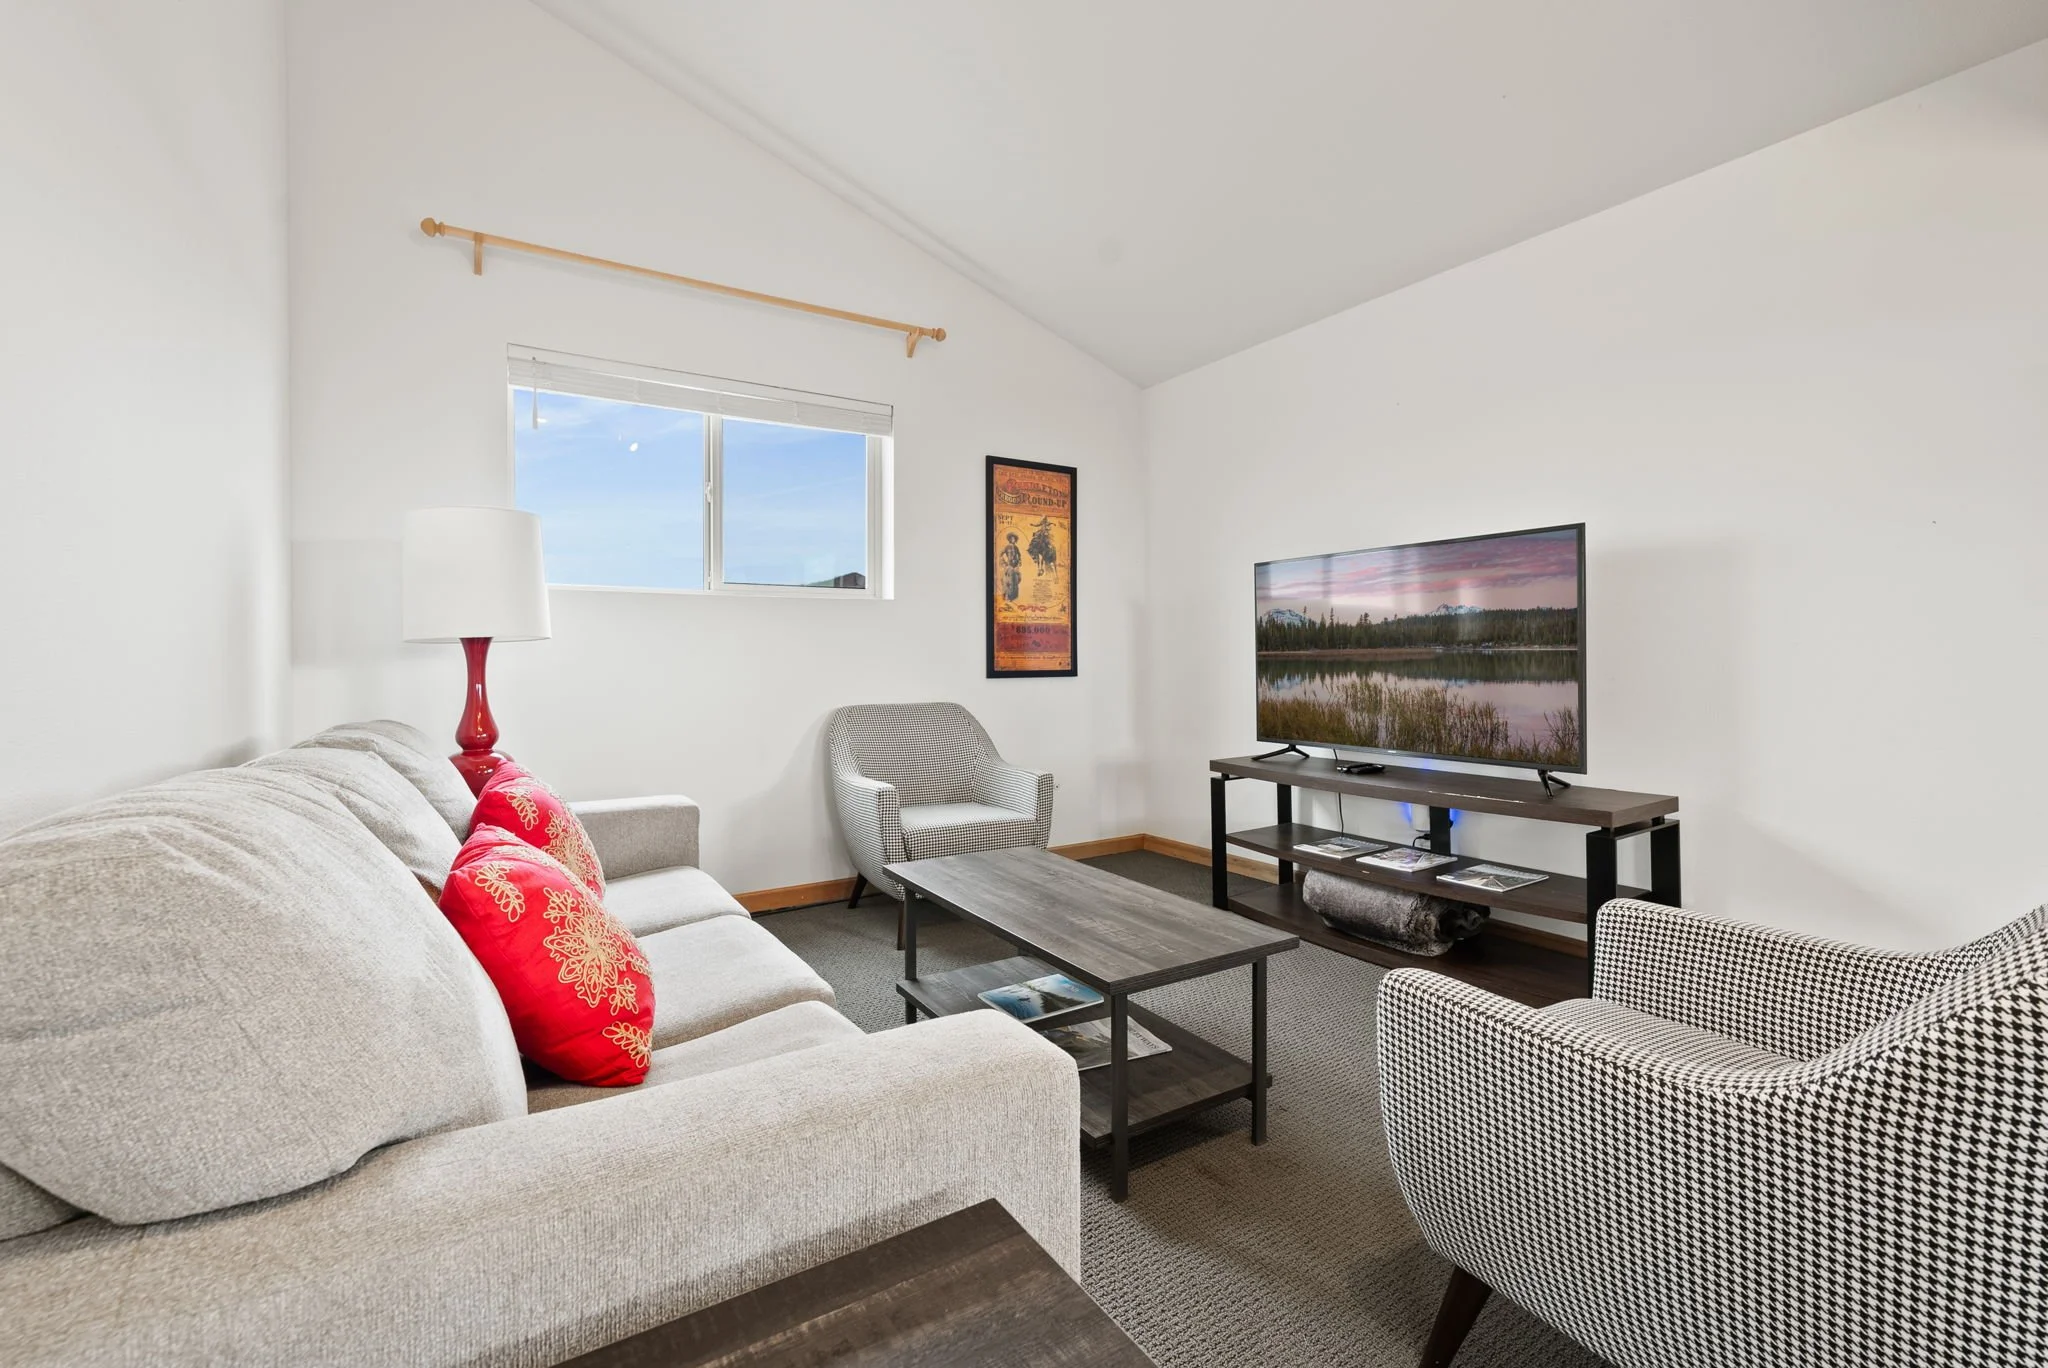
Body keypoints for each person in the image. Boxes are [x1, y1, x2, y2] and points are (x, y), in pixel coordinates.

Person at [999, 531, 1023, 602]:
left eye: (1014, 539)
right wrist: (1004, 564)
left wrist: (1019, 563)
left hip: (1015, 567)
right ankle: (1007, 597)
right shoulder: (1007, 547)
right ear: (1009, 539)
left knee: (1016, 581)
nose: (1013, 540)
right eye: (1012, 539)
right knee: (1008, 582)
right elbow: (1000, 555)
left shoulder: (1016, 547)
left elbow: (1019, 556)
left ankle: (1013, 597)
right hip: (1009, 566)